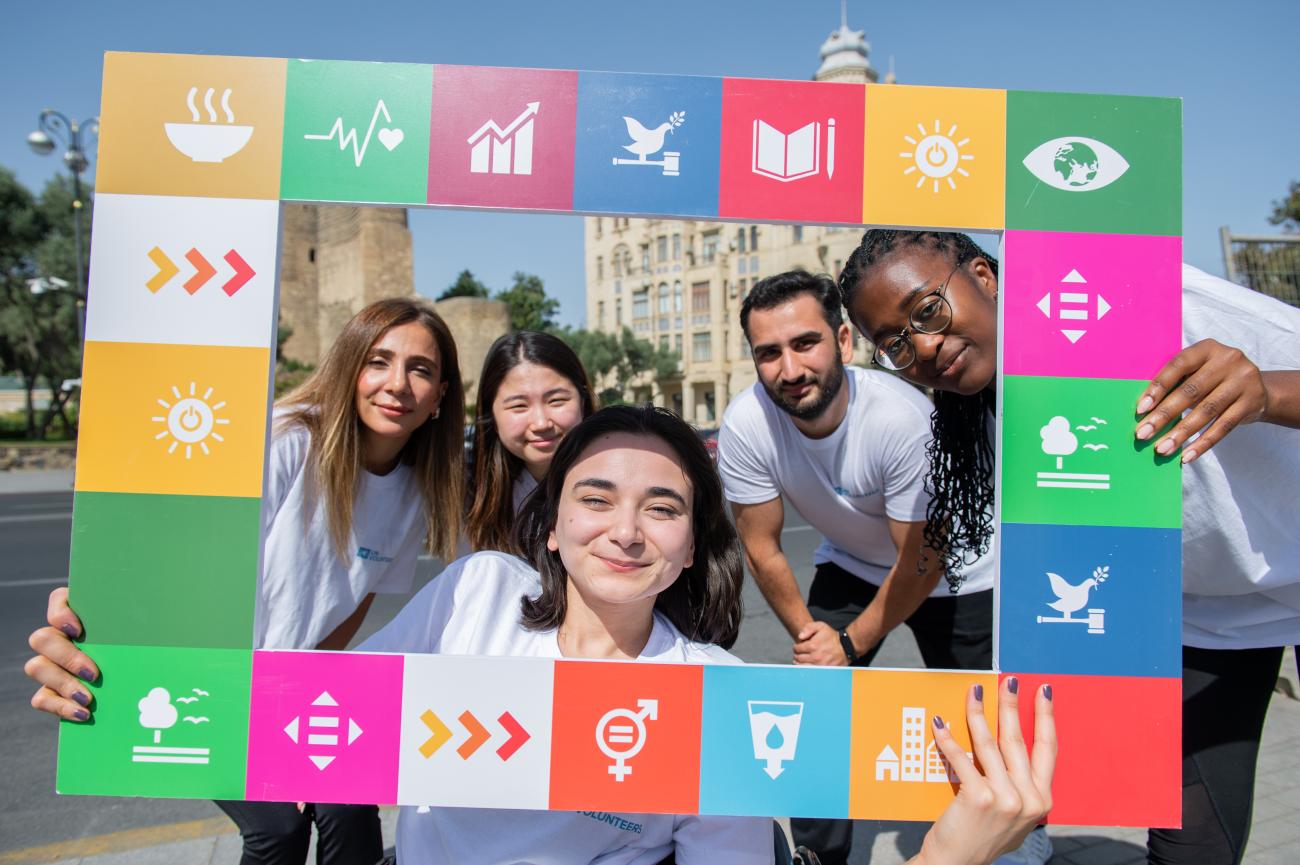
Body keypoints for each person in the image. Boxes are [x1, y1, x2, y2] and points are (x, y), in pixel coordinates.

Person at [28, 405, 1057, 865]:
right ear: (552, 526)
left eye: (661, 508)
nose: (623, 527)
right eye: (595, 497)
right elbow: (305, 718)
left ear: (694, 546)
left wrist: (949, 859)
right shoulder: (473, 592)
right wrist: (117, 668)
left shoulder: (713, 689)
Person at [837, 229, 1300, 865]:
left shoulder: (1150, 303)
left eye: (927, 310)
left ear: (986, 276)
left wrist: (1268, 391)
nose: (920, 344)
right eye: (893, 343)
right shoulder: (979, 409)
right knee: (1192, 848)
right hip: (1209, 616)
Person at [32, 297, 467, 865]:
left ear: (439, 398)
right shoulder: (289, 441)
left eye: (421, 369)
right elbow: (187, 563)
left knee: (351, 798)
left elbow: (356, 599)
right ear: (348, 370)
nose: (398, 384)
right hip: (207, 671)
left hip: (284, 686)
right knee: (279, 829)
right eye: (378, 361)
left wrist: (307, 696)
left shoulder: (417, 489)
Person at [717, 271, 1045, 865]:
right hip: (852, 561)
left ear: (843, 341)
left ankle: (1014, 835)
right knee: (815, 702)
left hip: (959, 570)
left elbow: (923, 561)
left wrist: (851, 641)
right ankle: (817, 855)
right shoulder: (746, 423)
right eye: (769, 353)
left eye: (804, 344)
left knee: (978, 721)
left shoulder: (901, 419)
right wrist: (814, 639)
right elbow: (761, 547)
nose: (789, 370)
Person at [465, 330, 596, 552]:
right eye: (519, 406)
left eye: (556, 401)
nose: (541, 423)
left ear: (583, 400)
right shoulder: (465, 482)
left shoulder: (624, 471)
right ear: (491, 413)